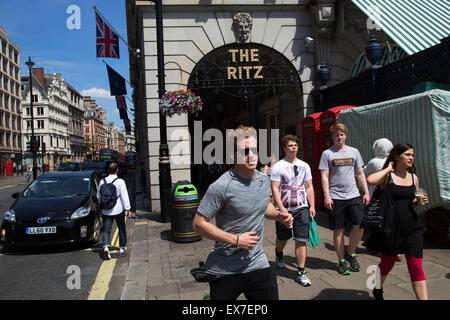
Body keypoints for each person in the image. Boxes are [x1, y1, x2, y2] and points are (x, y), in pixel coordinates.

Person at [192, 125, 294, 300]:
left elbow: (264, 207)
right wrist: (236, 240)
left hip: (257, 262)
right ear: (233, 156)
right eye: (245, 151)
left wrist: (279, 215)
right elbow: (198, 224)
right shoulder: (221, 186)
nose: (252, 155)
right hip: (225, 267)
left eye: (254, 149)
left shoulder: (263, 180)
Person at [367, 142, 429, 300]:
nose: (411, 158)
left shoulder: (414, 178)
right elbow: (370, 180)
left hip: (412, 228)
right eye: (407, 155)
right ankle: (377, 287)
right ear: (396, 156)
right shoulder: (388, 177)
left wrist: (418, 202)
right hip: (391, 228)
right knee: (387, 264)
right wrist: (388, 169)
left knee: (416, 266)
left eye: (412, 155)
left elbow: (411, 202)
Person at [319, 123, 370, 275]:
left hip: (353, 195)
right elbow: (324, 176)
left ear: (345, 135)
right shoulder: (327, 154)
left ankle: (351, 253)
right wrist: (326, 196)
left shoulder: (354, 152)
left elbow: (360, 173)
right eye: (336, 134)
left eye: (341, 134)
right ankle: (341, 261)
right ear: (332, 137)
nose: (339, 136)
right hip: (336, 197)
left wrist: (366, 192)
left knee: (360, 224)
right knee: (339, 229)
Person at [270, 135, 315, 287]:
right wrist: (282, 209)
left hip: (301, 207)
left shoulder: (305, 166)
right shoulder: (278, 167)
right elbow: (275, 188)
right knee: (282, 239)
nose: (294, 147)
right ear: (284, 148)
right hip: (284, 210)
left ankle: (301, 272)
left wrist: (312, 206)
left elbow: (309, 187)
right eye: (290, 145)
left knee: (301, 239)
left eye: (295, 145)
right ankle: (279, 252)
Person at [362, 138, 402, 261]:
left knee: (379, 223)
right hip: (393, 195)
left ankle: (387, 249)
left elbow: (363, 172)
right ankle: (376, 246)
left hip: (377, 196)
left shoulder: (374, 162)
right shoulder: (394, 161)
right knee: (387, 223)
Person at [97, 161, 131, 260]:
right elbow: (124, 196)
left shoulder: (102, 181)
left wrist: (102, 206)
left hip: (106, 210)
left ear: (108, 170)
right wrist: (128, 209)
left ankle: (106, 247)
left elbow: (98, 196)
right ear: (117, 170)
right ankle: (122, 247)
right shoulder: (120, 181)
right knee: (121, 227)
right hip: (118, 209)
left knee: (106, 230)